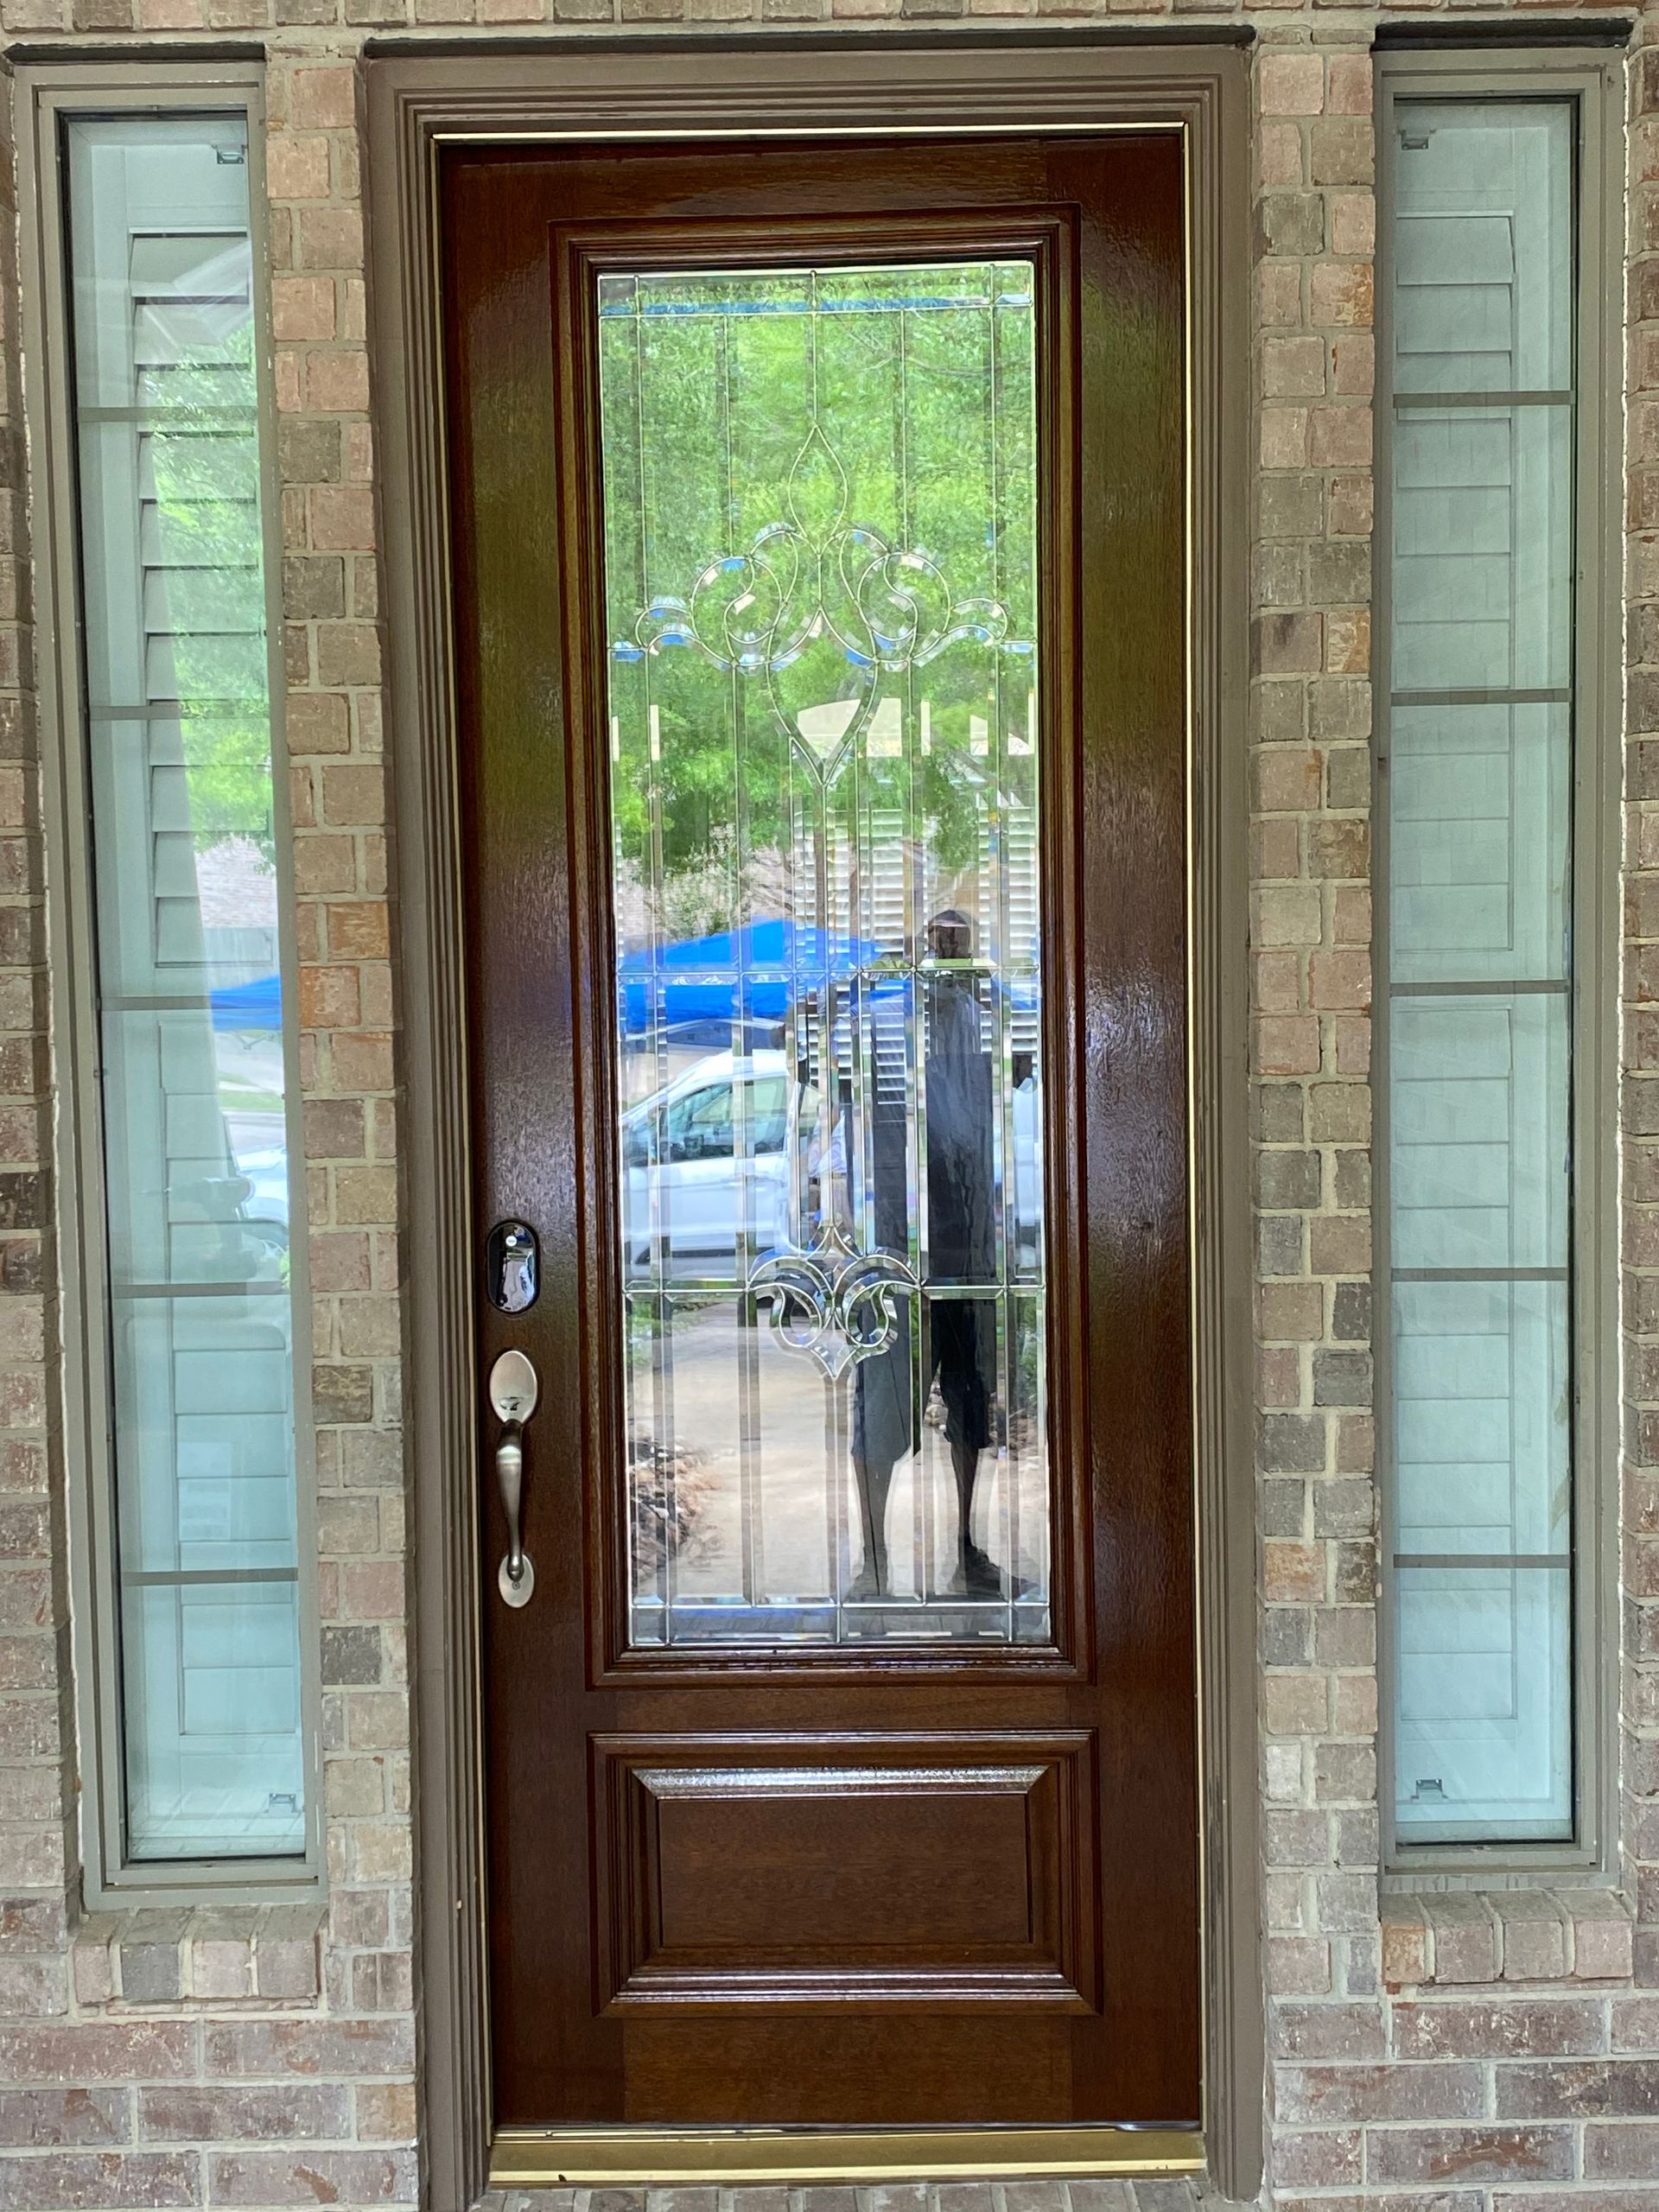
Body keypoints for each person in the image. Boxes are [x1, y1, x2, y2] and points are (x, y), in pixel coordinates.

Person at [847, 907, 1002, 1601]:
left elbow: (979, 1139)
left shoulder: (983, 1026)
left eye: (960, 946)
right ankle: (875, 1558)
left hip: (965, 1241)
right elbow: (873, 1134)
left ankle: (967, 1546)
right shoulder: (888, 1028)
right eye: (940, 944)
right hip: (898, 1240)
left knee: (970, 1395)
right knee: (881, 1401)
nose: (949, 957)